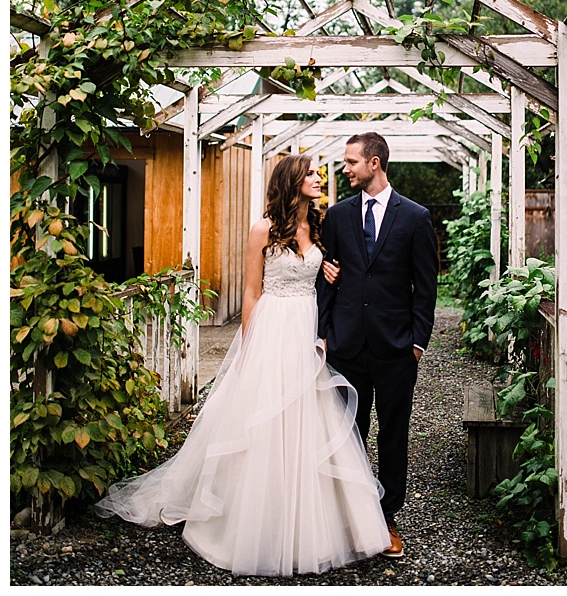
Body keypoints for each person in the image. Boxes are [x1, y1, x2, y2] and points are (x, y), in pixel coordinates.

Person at [95, 153, 391, 576]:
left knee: (311, 419)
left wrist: (331, 276)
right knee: (263, 423)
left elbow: (328, 279)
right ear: (291, 181)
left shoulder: (322, 228)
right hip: (274, 328)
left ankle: (315, 523)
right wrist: (251, 348)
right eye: (310, 173)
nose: (319, 177)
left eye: (318, 173)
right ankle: (249, 524)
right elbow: (252, 293)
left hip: (310, 327)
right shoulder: (263, 229)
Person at [317, 132, 438, 560]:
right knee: (349, 434)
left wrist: (417, 344)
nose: (344, 168)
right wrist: (324, 332)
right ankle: (351, 516)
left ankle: (385, 518)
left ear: (374, 163)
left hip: (395, 349)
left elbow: (426, 288)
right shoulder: (336, 215)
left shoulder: (416, 217)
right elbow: (326, 277)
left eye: (351, 162)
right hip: (346, 344)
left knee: (393, 434)